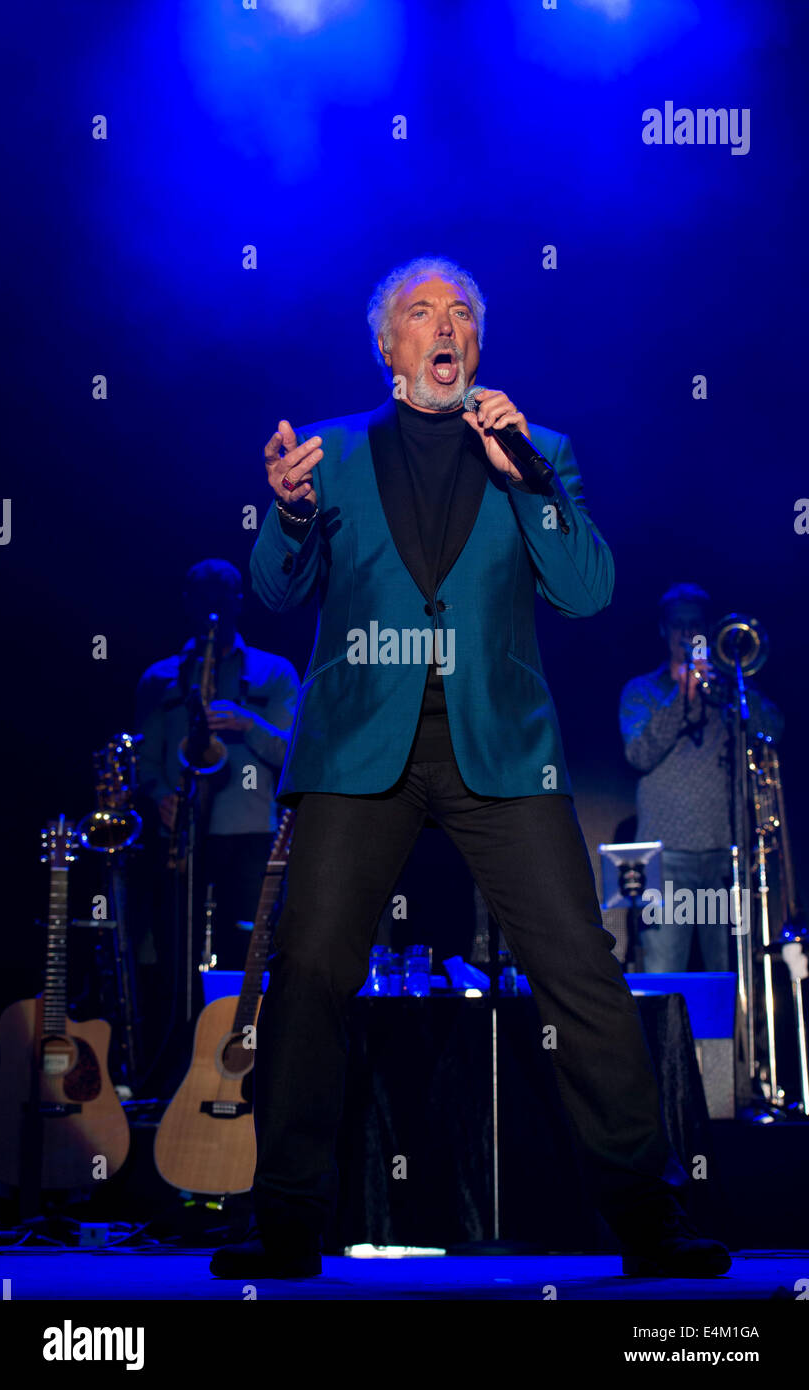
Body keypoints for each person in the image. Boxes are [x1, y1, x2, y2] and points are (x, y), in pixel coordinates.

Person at [211, 257, 730, 1279]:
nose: (444, 327)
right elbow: (275, 590)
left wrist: (526, 476)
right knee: (311, 970)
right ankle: (285, 1217)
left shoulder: (540, 450)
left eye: (462, 316)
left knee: (580, 969)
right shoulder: (334, 452)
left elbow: (586, 588)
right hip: (363, 750)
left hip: (502, 754)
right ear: (388, 346)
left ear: (476, 348)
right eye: (422, 313)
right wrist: (292, 510)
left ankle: (648, 1216)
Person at [136, 559, 299, 980]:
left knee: (246, 957)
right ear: (187, 604)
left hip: (250, 832)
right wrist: (158, 798)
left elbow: (296, 756)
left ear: (238, 603)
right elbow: (146, 761)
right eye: (203, 601)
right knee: (174, 954)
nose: (213, 612)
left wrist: (250, 724)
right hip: (181, 834)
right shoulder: (159, 678)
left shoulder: (275, 671)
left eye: (221, 602)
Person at [619, 583, 783, 972]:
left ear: (709, 630)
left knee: (730, 977)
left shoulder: (729, 690)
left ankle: (728, 1039)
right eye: (677, 625)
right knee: (664, 975)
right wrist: (682, 697)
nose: (686, 633)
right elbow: (639, 754)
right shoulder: (642, 691)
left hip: (727, 855)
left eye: (695, 624)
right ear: (663, 630)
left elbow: (774, 730)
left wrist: (733, 687)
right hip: (664, 857)